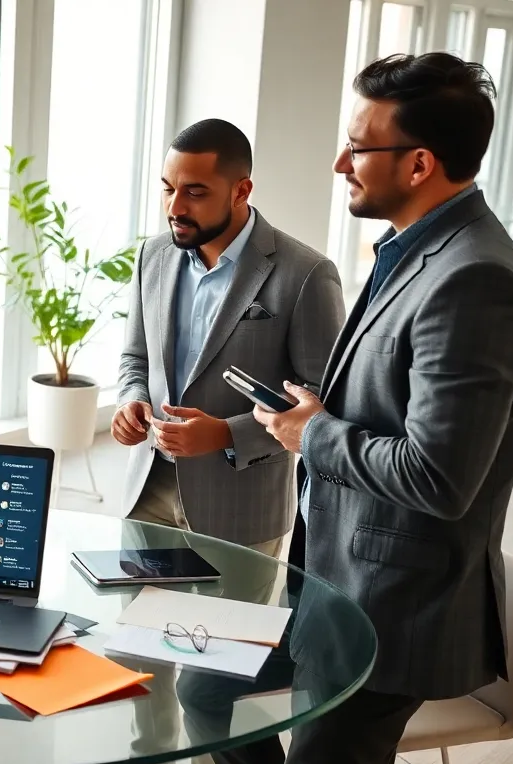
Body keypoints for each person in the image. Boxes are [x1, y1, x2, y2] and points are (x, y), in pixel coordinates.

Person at [254, 53, 513, 764]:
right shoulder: (415, 250)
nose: (338, 163)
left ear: (419, 165)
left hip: (393, 612)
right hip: (337, 581)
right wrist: (325, 412)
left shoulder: (476, 281)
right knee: (201, 690)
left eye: (357, 147)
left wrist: (314, 433)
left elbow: (439, 478)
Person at [112, 118, 345, 560]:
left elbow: (323, 398)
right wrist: (131, 400)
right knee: (134, 627)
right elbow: (135, 357)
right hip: (147, 491)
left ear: (241, 191)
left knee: (231, 631)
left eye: (195, 192)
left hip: (240, 506)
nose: (175, 206)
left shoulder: (307, 273)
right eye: (168, 188)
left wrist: (225, 434)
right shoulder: (153, 254)